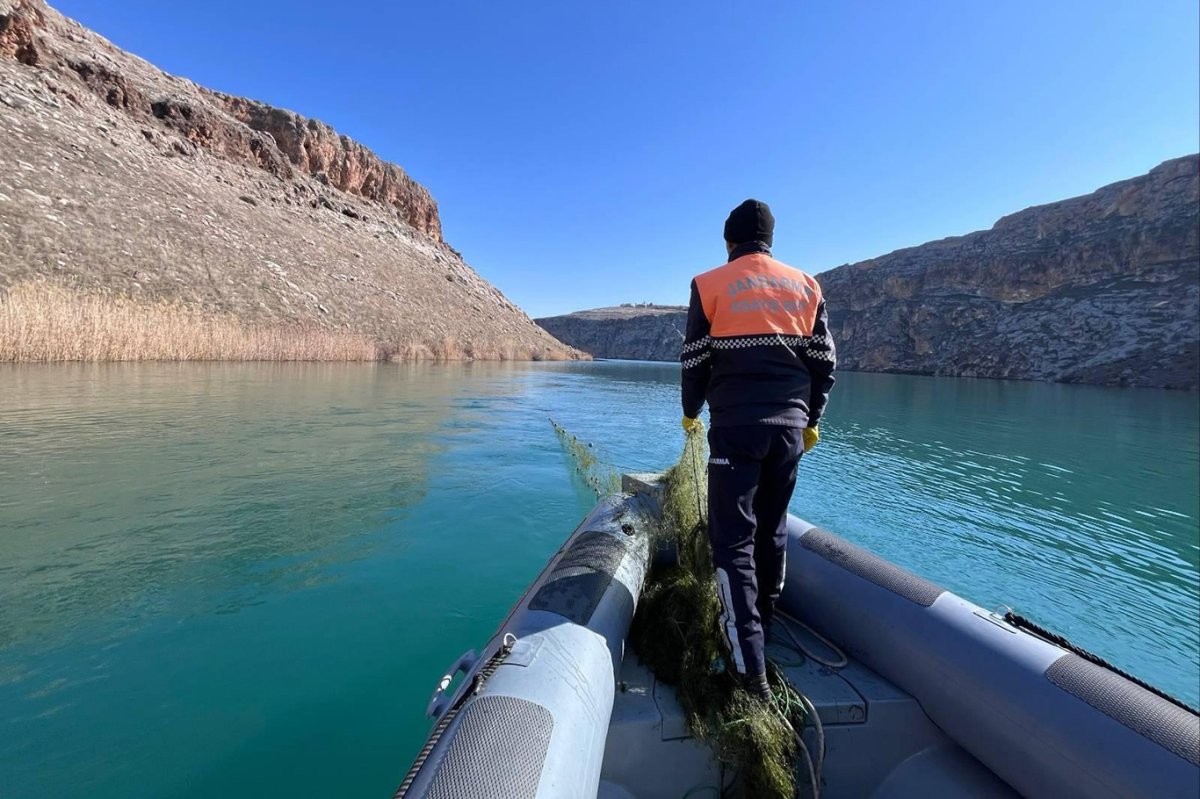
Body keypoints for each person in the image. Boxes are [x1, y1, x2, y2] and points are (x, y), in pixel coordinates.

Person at [680, 199, 836, 700]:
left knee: (732, 542)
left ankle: (749, 673)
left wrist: (691, 411)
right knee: (771, 531)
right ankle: (761, 633)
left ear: (729, 241)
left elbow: (695, 359)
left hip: (737, 430)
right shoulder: (806, 286)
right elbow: (824, 363)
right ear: (770, 240)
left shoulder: (709, 285)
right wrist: (811, 421)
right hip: (789, 432)